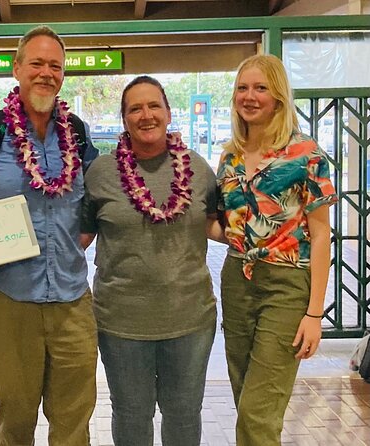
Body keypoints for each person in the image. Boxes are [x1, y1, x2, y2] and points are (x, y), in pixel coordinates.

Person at [0, 25, 99, 445]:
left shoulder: (78, 134)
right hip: (9, 300)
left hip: (72, 301)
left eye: (55, 65)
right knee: (15, 421)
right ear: (17, 68)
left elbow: (90, 204)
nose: (46, 73)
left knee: (74, 424)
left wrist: (75, 243)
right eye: (37, 63)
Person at [81, 75, 223, 446]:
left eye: (153, 105)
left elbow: (220, 225)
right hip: (122, 322)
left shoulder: (198, 167)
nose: (146, 115)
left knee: (183, 416)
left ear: (168, 113)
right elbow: (77, 237)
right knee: (130, 416)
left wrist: (275, 237)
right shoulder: (101, 173)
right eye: (135, 108)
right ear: (124, 118)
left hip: (190, 319)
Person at [216, 54, 338, 446]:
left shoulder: (305, 153)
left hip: (287, 285)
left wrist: (315, 313)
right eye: (242, 88)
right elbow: (231, 227)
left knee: (258, 411)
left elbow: (321, 236)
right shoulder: (229, 155)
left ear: (279, 97)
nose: (249, 97)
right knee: (247, 400)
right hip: (237, 281)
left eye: (260, 88)